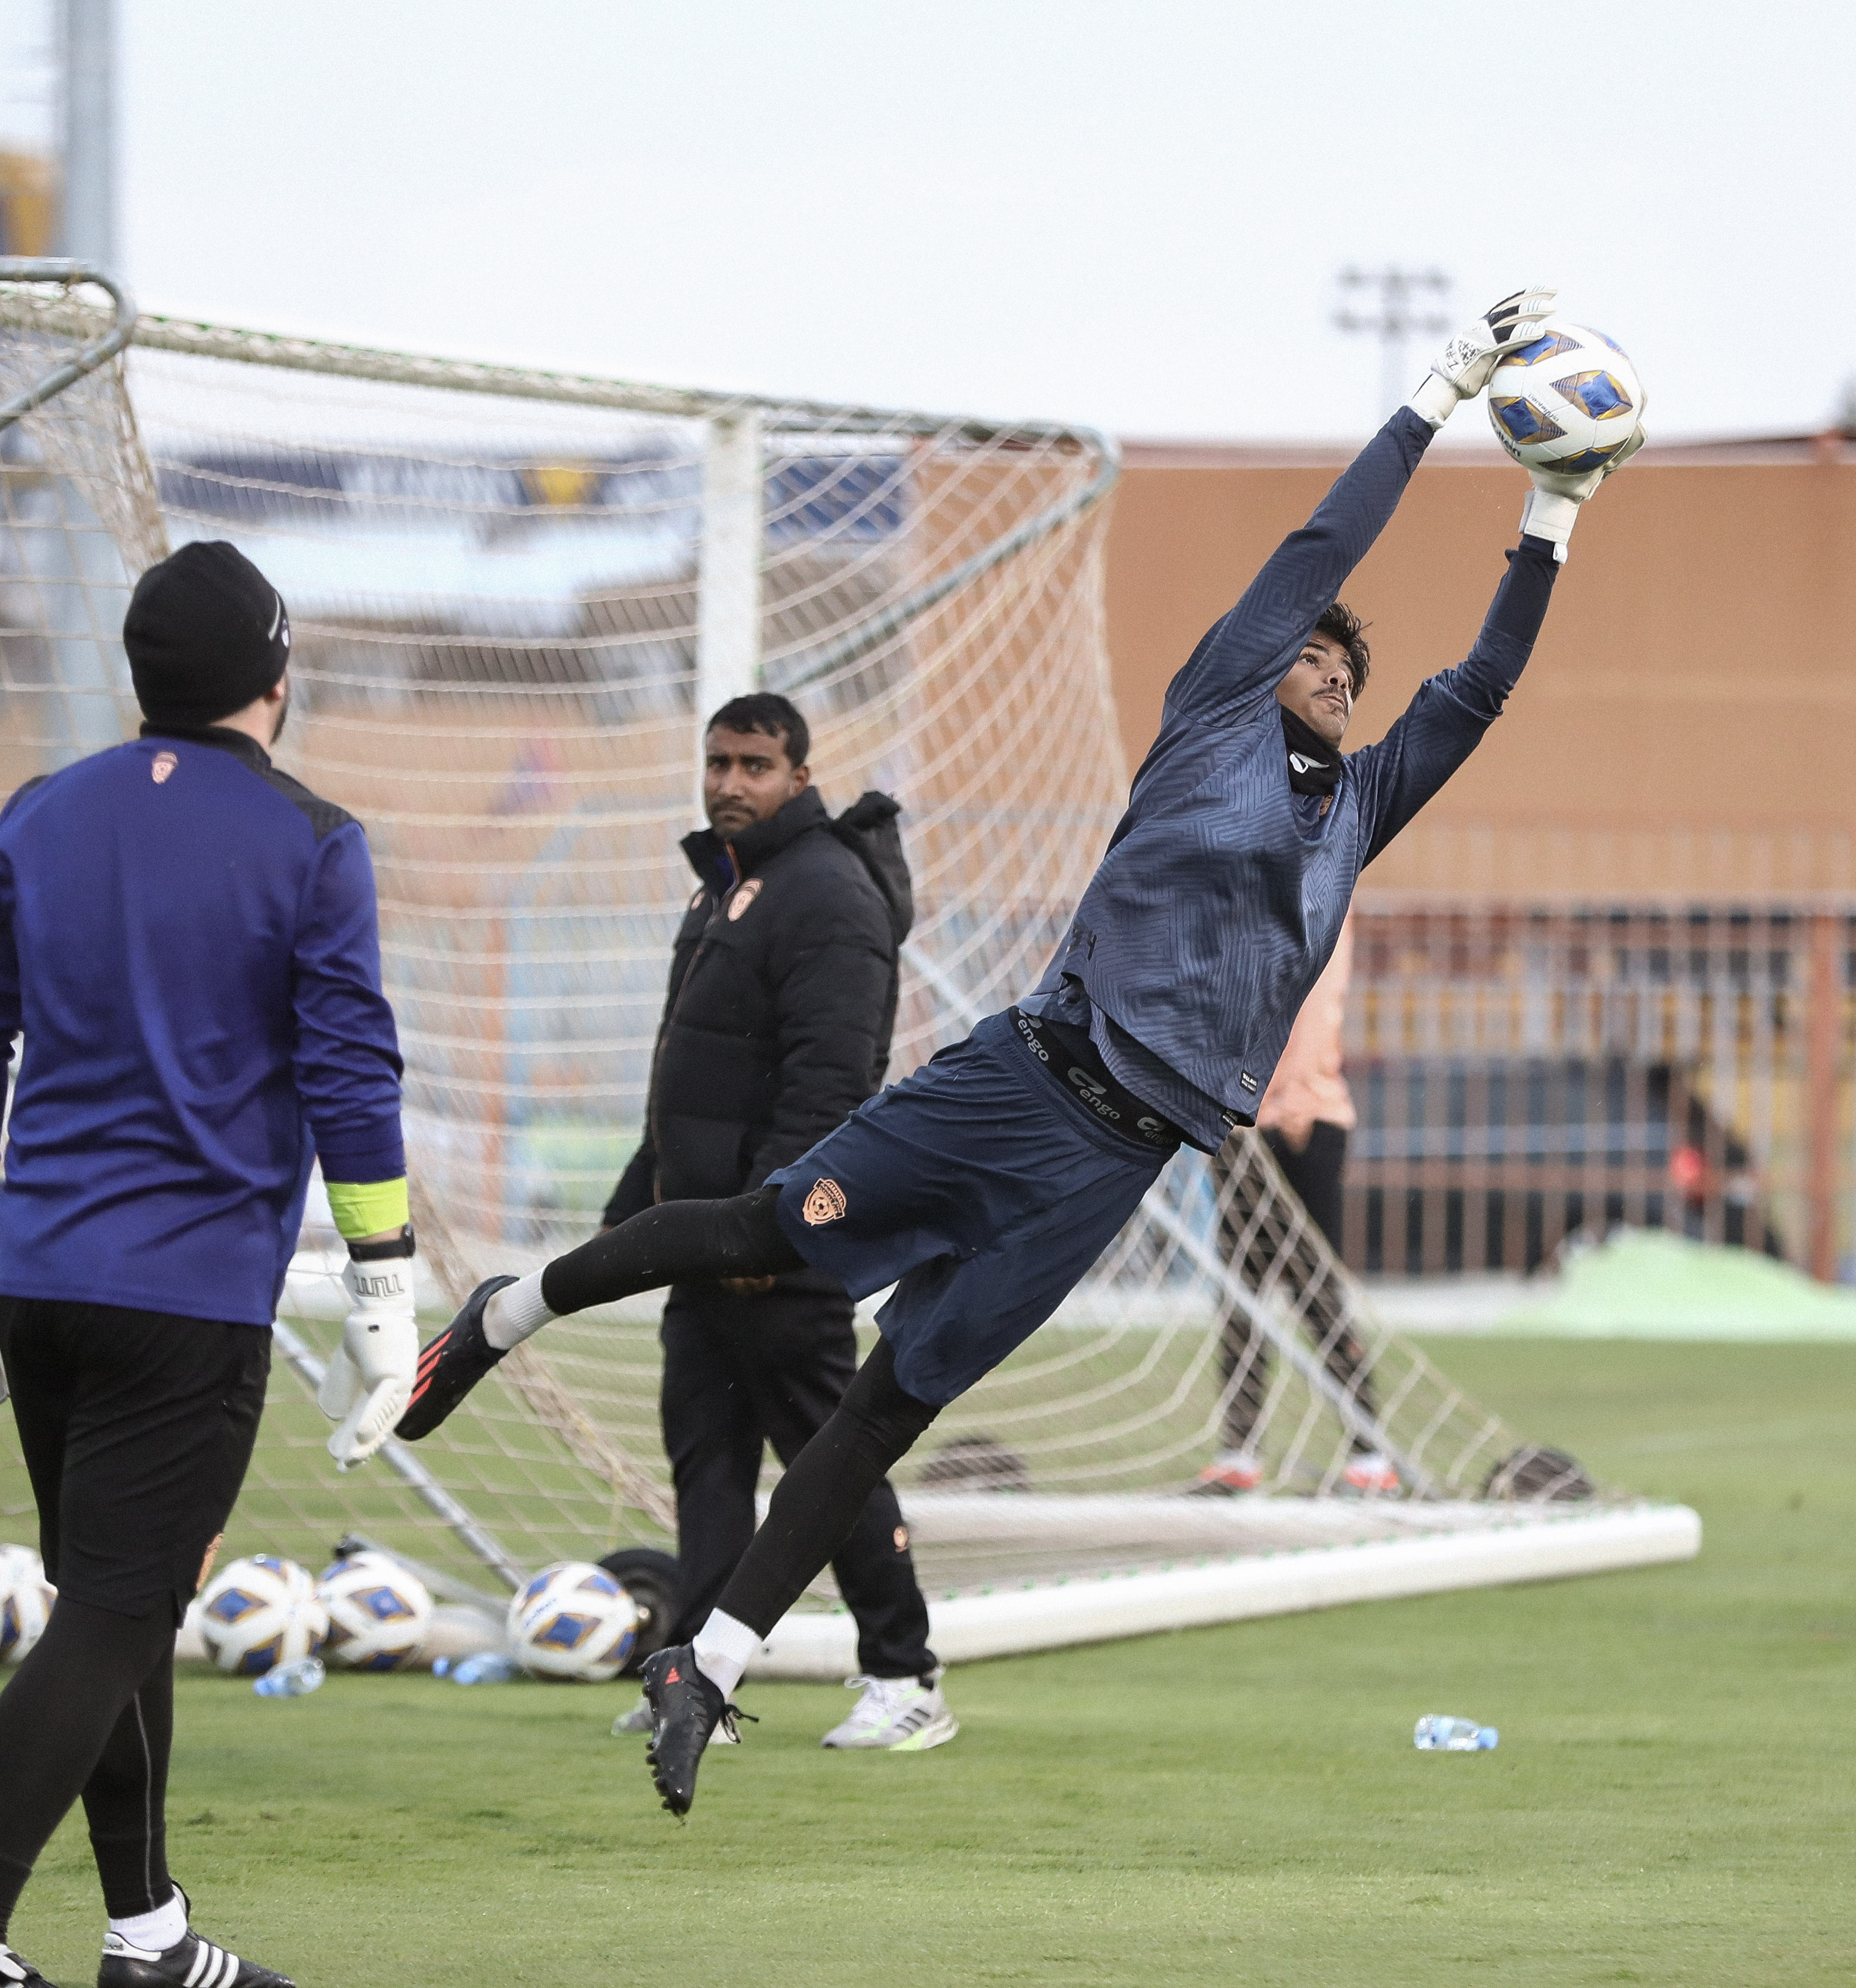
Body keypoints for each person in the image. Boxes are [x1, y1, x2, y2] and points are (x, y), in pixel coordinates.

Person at [402, 286, 1636, 1817]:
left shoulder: (1362, 809)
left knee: (884, 1413)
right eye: (1307, 654)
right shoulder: (1212, 717)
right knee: (758, 1235)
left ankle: (709, 1666)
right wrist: (1436, 397)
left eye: (1341, 665)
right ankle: (507, 1308)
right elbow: (1314, 557)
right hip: (1020, 1077)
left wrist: (1551, 511)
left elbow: (1484, 687)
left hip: (1112, 1163)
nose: (1325, 663)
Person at [0, 541, 419, 1988]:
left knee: (110, 1599)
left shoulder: (40, 811)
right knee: (118, 1613)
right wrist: (383, 1278)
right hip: (183, 1297)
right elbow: (347, 1071)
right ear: (277, 671)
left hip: (41, 1277)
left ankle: (147, 1922)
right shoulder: (313, 837)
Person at [601, 692, 955, 1755]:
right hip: (707, 1240)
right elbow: (689, 1082)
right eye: (716, 761)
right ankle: (697, 1688)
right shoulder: (726, 889)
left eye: (753, 763)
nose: (727, 781)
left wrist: (771, 1227)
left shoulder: (829, 894)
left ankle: (906, 1673)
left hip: (783, 1240)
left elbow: (829, 1084)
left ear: (800, 776)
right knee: (707, 1467)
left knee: (829, 1463)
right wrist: (642, 1216)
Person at [1193, 871, 1397, 1497]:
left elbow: (1311, 1005)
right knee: (1241, 1293)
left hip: (1300, 1119)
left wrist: (1291, 1104)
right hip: (1244, 1125)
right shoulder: (1246, 899)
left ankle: (1369, 1455)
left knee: (1315, 1293)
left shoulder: (1319, 893)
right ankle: (1240, 1452)